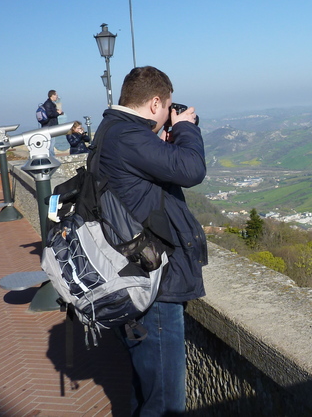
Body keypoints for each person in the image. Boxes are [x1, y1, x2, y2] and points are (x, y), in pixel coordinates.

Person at [95, 65, 206, 415]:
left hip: (133, 272)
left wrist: (161, 142)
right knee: (165, 402)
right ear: (156, 102)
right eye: (168, 106)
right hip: (153, 284)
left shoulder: (113, 129)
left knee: (146, 390)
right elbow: (191, 170)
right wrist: (186, 128)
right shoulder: (128, 136)